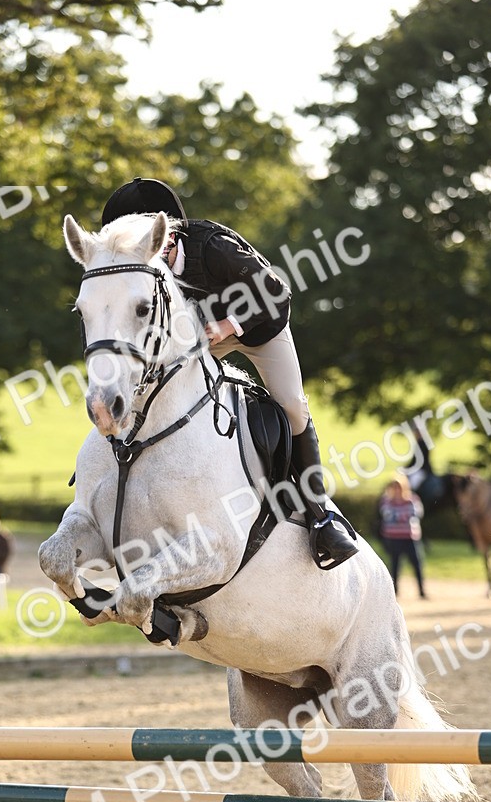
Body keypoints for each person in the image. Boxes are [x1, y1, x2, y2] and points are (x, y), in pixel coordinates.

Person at [100, 177, 358, 570]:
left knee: (292, 407)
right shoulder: (148, 273)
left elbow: (276, 291)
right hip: (202, 335)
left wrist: (226, 325)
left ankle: (321, 517)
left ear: (166, 235)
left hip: (261, 326)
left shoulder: (213, 246)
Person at [378, 475, 427, 599]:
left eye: (398, 486)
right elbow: (388, 515)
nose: (396, 489)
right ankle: (394, 592)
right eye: (394, 487)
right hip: (393, 538)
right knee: (395, 565)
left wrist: (397, 516)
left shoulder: (413, 499)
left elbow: (416, 514)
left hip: (410, 537)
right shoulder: (386, 501)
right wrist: (403, 516)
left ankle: (421, 591)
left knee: (417, 564)